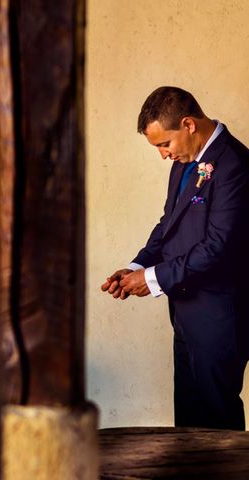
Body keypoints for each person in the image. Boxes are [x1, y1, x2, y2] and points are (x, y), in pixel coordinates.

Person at [101, 86, 249, 431]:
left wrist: (151, 280)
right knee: (188, 420)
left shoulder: (236, 166)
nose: (163, 155)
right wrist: (137, 267)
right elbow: (170, 223)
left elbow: (218, 247)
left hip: (219, 317)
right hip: (184, 312)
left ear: (188, 125)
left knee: (218, 421)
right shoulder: (184, 163)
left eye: (164, 144)